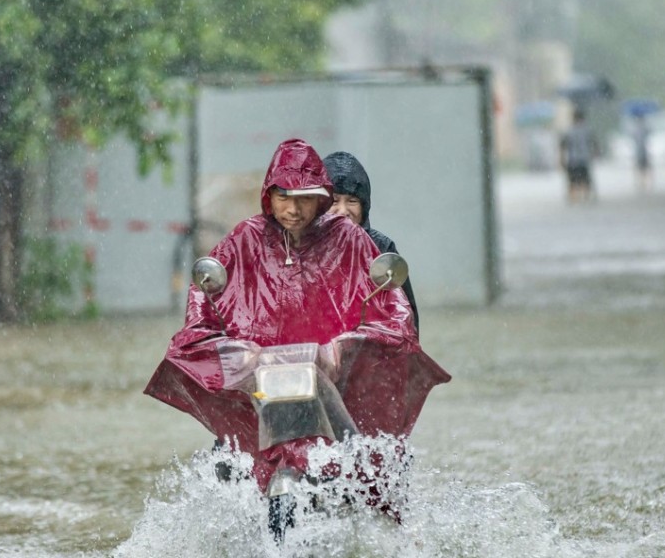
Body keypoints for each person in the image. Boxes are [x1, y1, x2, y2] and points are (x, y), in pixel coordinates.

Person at [144, 138, 449, 500]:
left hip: (336, 377)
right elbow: (208, 292)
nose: (294, 209)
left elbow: (397, 316)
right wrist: (222, 342)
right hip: (266, 379)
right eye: (284, 197)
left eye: (306, 198)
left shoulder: (357, 243)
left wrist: (348, 349)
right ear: (269, 196)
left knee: (373, 471)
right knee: (228, 463)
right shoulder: (246, 238)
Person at [322, 151, 420, 332]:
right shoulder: (303, 247)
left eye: (352, 201)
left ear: (364, 205)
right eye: (334, 201)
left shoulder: (381, 248)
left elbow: (406, 317)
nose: (343, 210)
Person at [559, 108, 598, 203]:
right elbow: (594, 144)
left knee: (572, 182)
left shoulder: (569, 131)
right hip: (584, 159)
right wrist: (594, 154)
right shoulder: (587, 130)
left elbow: (563, 146)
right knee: (585, 180)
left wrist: (561, 159)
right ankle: (585, 197)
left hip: (573, 160)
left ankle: (574, 199)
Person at [632, 114, 653, 192]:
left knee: (641, 168)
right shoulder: (644, 129)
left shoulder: (636, 130)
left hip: (640, 152)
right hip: (642, 152)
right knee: (644, 168)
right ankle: (643, 183)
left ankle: (642, 183)